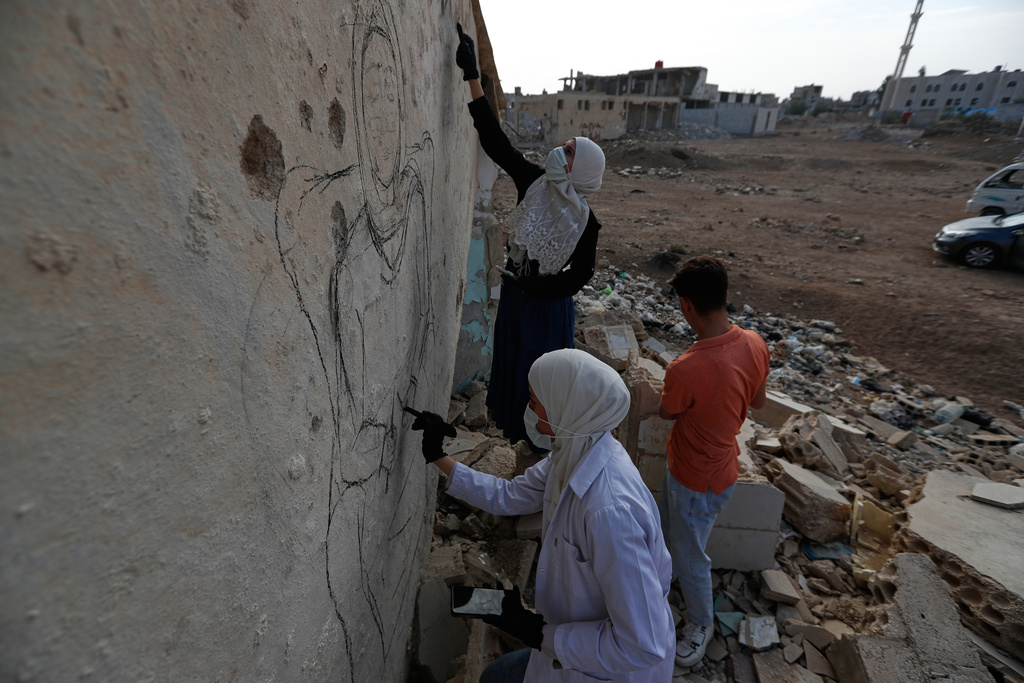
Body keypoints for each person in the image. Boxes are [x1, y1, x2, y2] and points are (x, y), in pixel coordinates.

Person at [408, 349, 675, 682]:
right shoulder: (572, 452)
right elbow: (508, 496)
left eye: (536, 400)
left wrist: (536, 632)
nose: (530, 409)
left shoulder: (609, 511)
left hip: (607, 668)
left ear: (568, 407)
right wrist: (438, 455)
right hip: (564, 648)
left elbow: (641, 645)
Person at [455, 23, 606, 450]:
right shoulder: (535, 183)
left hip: (546, 311)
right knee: (514, 376)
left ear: (583, 170)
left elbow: (579, 278)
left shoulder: (586, 223)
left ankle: (542, 460)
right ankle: (521, 454)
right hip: (519, 304)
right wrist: (473, 77)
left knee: (542, 386)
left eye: (571, 150)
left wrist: (533, 286)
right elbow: (496, 143)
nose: (562, 149)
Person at [657, 256, 770, 666]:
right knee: (679, 540)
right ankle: (664, 580)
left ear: (686, 306)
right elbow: (756, 401)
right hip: (722, 470)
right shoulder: (755, 343)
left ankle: (700, 624)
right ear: (725, 296)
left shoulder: (686, 368)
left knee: (691, 556)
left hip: (692, 478)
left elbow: (667, 412)